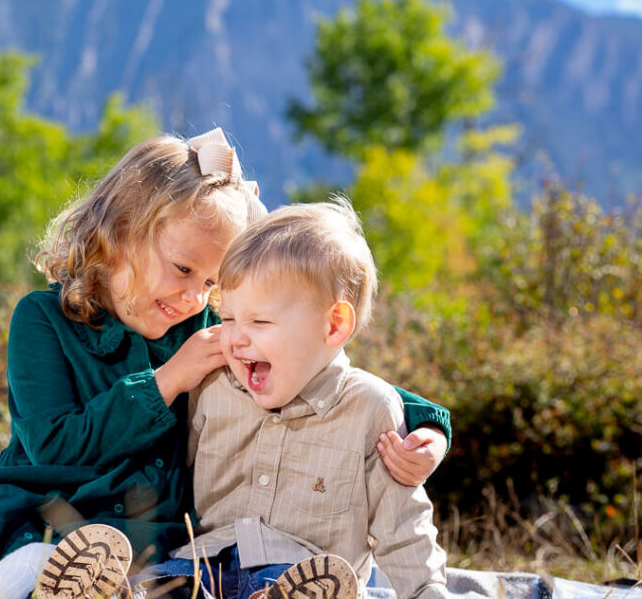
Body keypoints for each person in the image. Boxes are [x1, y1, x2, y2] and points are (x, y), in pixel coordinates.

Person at [0, 130, 449, 599]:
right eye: (182, 268)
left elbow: (326, 372)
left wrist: (427, 431)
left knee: (50, 560)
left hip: (128, 527)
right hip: (20, 489)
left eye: (210, 285)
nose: (193, 296)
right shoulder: (41, 321)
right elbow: (53, 444)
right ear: (116, 234)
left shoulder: (211, 330)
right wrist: (170, 379)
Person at [137, 199, 449, 599]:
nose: (236, 337)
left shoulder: (368, 408)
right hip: (205, 563)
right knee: (164, 586)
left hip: (302, 571)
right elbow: (174, 475)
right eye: (227, 319)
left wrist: (427, 591)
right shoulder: (213, 389)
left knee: (290, 589)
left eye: (260, 321)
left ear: (333, 326)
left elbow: (403, 524)